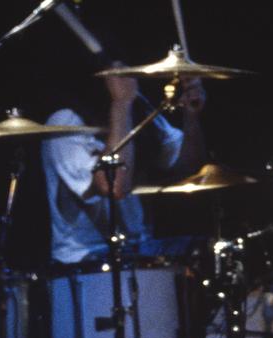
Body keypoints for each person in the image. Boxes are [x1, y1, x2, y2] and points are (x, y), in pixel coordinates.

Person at [41, 68, 207, 264]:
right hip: (84, 259)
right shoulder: (65, 122)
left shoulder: (138, 107)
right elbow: (114, 186)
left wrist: (191, 114)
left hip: (138, 248)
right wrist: (121, 103)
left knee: (201, 249)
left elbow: (190, 167)